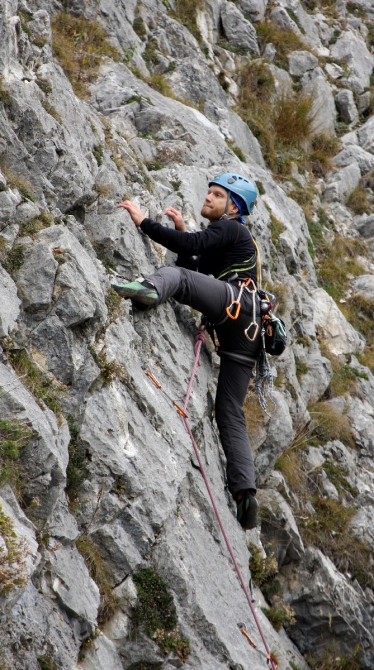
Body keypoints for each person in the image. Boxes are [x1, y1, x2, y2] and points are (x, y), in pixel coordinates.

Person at [112, 173, 262, 530]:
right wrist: (183, 237)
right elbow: (195, 268)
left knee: (171, 279)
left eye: (216, 194)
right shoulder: (233, 241)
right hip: (248, 332)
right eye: (208, 192)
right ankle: (245, 493)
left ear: (234, 206)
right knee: (228, 410)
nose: (207, 198)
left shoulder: (234, 229)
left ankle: (148, 289)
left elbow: (188, 259)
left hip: (233, 308)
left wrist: (143, 221)